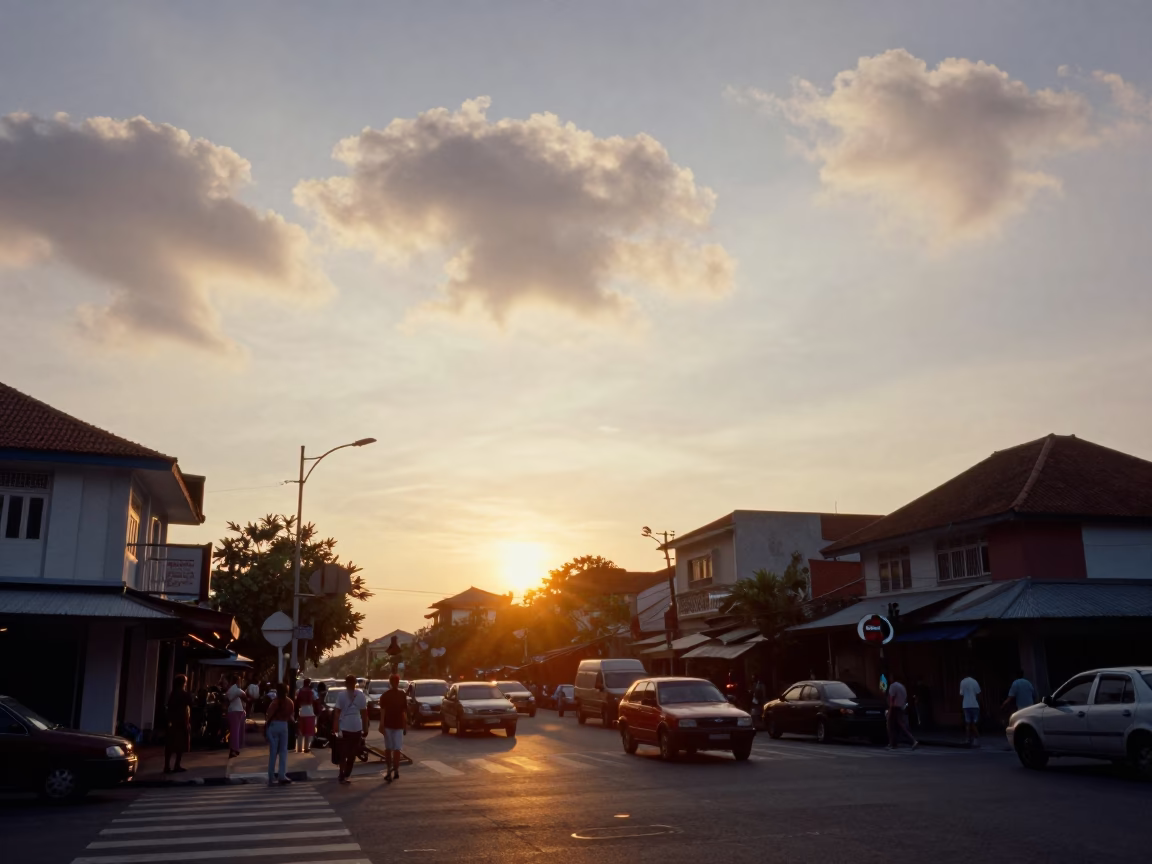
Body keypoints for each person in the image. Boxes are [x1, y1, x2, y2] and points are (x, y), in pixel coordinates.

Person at [334, 675, 368, 785]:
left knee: (343, 752)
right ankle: (347, 774)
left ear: (345, 684)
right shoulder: (361, 695)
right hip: (356, 727)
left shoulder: (341, 695)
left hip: (344, 727)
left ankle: (341, 774)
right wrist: (365, 728)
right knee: (352, 753)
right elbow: (364, 714)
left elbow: (337, 712)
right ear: (355, 683)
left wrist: (335, 727)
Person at [378, 674, 408, 781]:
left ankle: (392, 769)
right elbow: (403, 712)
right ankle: (394, 770)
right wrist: (405, 725)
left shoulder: (387, 695)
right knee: (395, 749)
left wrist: (381, 724)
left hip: (391, 725)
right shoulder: (399, 694)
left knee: (391, 749)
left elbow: (383, 711)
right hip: (393, 725)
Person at [164, 674, 195, 774]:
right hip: (182, 721)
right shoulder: (185, 694)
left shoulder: (172, 694)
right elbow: (192, 704)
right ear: (183, 683)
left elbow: (169, 707)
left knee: (170, 744)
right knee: (180, 744)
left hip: (172, 722)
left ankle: (167, 766)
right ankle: (177, 765)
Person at [264, 687, 294, 786]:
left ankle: (271, 776)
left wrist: (266, 728)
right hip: (284, 725)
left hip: (274, 725)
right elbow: (290, 716)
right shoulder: (290, 702)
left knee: (273, 752)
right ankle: (282, 775)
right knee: (283, 751)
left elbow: (268, 715)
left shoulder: (274, 703)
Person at [886, 678, 919, 750]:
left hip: (894, 708)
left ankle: (893, 744)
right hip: (901, 707)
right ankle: (911, 740)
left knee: (890, 726)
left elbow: (892, 699)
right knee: (900, 725)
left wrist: (890, 710)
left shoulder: (893, 686)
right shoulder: (902, 687)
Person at [224, 674, 248, 757]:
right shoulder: (235, 689)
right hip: (236, 711)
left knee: (236, 731)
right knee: (235, 731)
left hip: (235, 711)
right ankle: (234, 749)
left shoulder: (231, 689)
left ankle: (235, 748)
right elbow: (244, 695)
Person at [959, 672, 983, 748]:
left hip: (966, 705)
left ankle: (968, 739)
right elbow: (979, 693)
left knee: (968, 723)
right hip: (974, 705)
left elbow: (961, 694)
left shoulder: (962, 682)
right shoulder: (975, 681)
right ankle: (977, 738)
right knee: (974, 724)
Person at [295, 678, 317, 753]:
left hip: (301, 712)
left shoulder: (299, 691)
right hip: (309, 712)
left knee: (300, 731)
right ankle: (306, 748)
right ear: (309, 683)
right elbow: (316, 700)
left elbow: (297, 701)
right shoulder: (312, 692)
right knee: (308, 732)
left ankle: (299, 748)